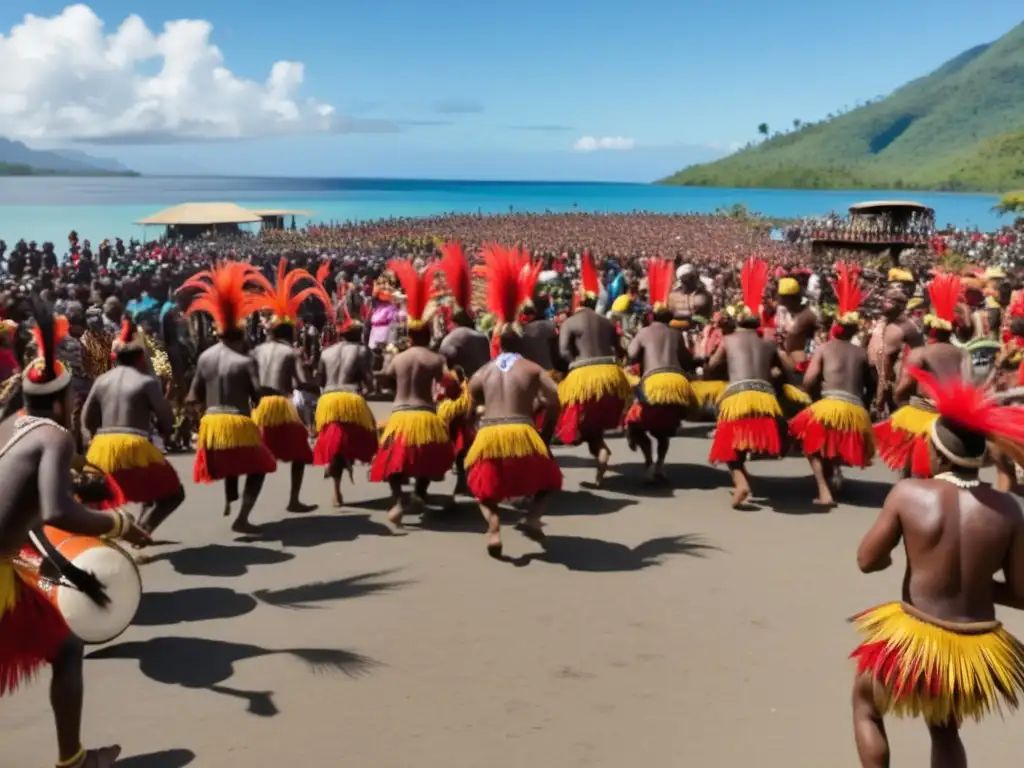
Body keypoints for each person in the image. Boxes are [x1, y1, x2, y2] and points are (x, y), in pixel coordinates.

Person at [850, 366, 1024, 768]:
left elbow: (867, 560)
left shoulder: (909, 493)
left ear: (937, 451)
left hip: (917, 634)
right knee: (945, 727)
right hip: (974, 647)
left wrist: (904, 559)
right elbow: (1020, 593)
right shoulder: (1008, 510)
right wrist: (975, 585)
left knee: (865, 704)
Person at [0, 299, 148, 768]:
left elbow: (26, 508)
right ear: (65, 400)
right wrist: (119, 523)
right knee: (66, 646)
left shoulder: (8, 425)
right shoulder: (53, 435)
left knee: (63, 642)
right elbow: (55, 508)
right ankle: (74, 761)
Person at [466, 244, 562, 557]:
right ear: (518, 339)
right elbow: (554, 400)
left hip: (490, 432)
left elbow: (469, 405)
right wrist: (545, 434)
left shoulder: (483, 370)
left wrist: (473, 433)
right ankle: (533, 517)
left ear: (496, 341)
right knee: (549, 482)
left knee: (482, 487)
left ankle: (494, 527)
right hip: (522, 429)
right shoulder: (532, 368)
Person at [183, 261, 277, 533]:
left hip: (211, 424)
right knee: (261, 467)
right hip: (237, 420)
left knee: (233, 455)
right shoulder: (245, 360)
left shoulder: (204, 357)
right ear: (240, 335)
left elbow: (193, 397)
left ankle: (230, 492)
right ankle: (243, 517)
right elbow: (257, 396)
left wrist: (196, 423)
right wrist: (270, 392)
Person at [81, 318, 184, 540]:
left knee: (103, 494)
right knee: (173, 494)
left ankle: (106, 535)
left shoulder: (101, 381)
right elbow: (166, 417)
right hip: (133, 443)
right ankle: (141, 532)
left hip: (101, 446)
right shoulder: (145, 382)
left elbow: (87, 418)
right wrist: (166, 432)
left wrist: (93, 438)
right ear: (139, 358)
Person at [370, 259, 454, 528]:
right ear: (428, 333)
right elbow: (450, 387)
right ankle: (419, 493)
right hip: (426, 415)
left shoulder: (399, 358)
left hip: (400, 415)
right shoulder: (435, 358)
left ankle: (397, 500)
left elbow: (384, 381)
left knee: (392, 459)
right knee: (430, 458)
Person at [706, 257, 793, 507]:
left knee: (727, 445)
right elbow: (784, 370)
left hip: (738, 397)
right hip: (766, 398)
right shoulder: (768, 342)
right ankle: (745, 477)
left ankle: (741, 482)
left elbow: (712, 367)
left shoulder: (729, 340)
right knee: (745, 437)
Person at [249, 258, 330, 513]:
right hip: (280, 407)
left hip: (259, 407)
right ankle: (293, 500)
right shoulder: (290, 352)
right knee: (301, 456)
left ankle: (244, 512)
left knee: (259, 463)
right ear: (288, 331)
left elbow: (250, 381)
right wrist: (316, 384)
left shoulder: (256, 351)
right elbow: (300, 383)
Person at [788, 264, 873, 506]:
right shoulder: (861, 353)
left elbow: (809, 380)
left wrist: (810, 396)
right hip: (855, 408)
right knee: (834, 438)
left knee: (810, 444)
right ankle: (835, 470)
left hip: (830, 403)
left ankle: (824, 491)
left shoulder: (824, 348)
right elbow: (869, 383)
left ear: (836, 327)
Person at [874, 274, 970, 478]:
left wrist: (900, 402)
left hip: (924, 415)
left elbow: (902, 388)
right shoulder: (963, 354)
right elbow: (968, 386)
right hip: (953, 417)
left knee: (910, 471)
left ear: (930, 330)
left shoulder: (921, 353)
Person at [555, 251, 631, 485]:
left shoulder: (570, 322)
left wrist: (573, 365)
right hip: (610, 374)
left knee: (577, 418)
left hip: (585, 374)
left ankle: (593, 449)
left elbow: (564, 352)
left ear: (578, 304)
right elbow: (620, 350)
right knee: (593, 423)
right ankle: (600, 458)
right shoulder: (606, 322)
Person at [622, 258, 693, 483]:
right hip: (676, 383)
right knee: (663, 431)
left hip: (654, 383)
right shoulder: (676, 334)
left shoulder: (644, 333)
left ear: (651, 316)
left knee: (634, 424)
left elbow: (631, 356)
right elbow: (685, 360)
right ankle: (659, 465)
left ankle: (648, 461)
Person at [435, 242, 490, 496]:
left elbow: (443, 369)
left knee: (453, 435)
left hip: (461, 394)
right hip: (484, 391)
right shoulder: (482, 337)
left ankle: (458, 477)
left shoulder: (452, 338)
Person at [313, 309, 377, 507]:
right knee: (371, 432)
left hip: (328, 400)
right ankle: (372, 464)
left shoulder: (326, 352)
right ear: (358, 335)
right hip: (351, 398)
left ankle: (336, 490)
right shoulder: (363, 351)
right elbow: (369, 381)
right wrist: (371, 387)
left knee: (333, 440)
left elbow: (320, 379)